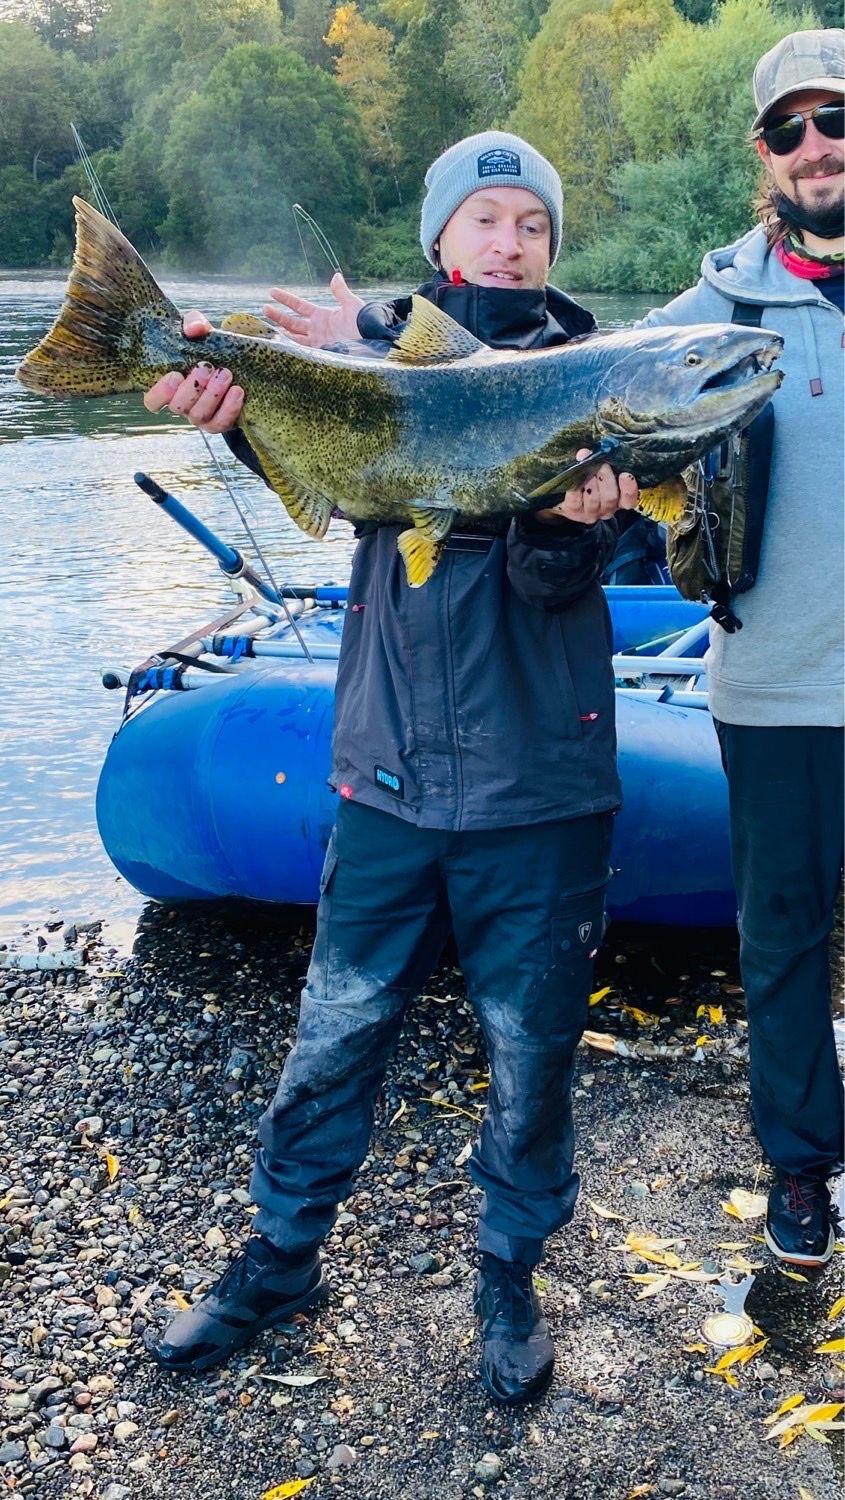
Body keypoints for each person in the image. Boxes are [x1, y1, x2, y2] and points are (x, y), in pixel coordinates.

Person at [143, 131, 641, 1404]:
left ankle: (510, 1271)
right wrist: (245, 421)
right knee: (333, 1034)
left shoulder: (601, 390)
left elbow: (549, 584)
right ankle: (278, 1255)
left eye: (531, 221)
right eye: (482, 218)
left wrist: (577, 522)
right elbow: (346, 481)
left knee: (531, 1061)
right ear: (438, 241)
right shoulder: (370, 369)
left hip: (543, 789)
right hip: (385, 776)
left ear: (551, 244)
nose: (508, 240)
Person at [643, 30, 844, 1266]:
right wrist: (396, 332)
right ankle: (800, 1167)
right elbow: (551, 378)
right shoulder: (713, 303)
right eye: (791, 129)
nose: (818, 146)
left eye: (840, 120)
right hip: (773, 685)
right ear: (764, 155)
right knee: (780, 931)